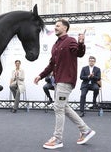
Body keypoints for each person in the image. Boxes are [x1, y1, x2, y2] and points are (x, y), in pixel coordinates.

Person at [34, 19, 95, 149]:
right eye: (55, 25)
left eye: (58, 26)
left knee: (58, 107)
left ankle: (57, 139)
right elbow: (51, 65)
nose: (55, 27)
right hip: (58, 81)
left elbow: (79, 53)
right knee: (63, 107)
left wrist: (81, 43)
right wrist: (40, 75)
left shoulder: (71, 41)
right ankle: (85, 130)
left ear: (65, 28)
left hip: (66, 80)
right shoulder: (55, 45)